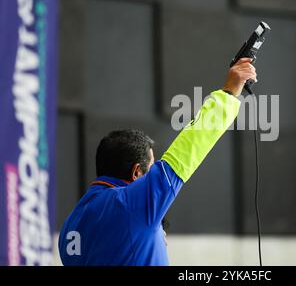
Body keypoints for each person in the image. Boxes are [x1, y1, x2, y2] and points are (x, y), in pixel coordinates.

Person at [58, 58, 257, 265]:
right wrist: (229, 94)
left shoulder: (70, 226)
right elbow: (187, 149)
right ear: (136, 173)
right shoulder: (130, 205)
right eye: (152, 169)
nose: (155, 174)